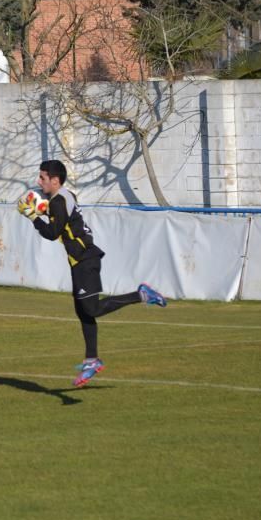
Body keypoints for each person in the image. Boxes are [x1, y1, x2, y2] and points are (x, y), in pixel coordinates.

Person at [18, 160, 168, 388]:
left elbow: (52, 233)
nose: (39, 182)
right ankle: (91, 359)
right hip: (82, 259)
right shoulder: (66, 195)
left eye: (42, 178)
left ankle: (141, 294)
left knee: (91, 309)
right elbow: (61, 216)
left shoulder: (59, 201)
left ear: (55, 180)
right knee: (83, 311)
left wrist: (33, 216)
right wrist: (44, 208)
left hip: (84, 260)